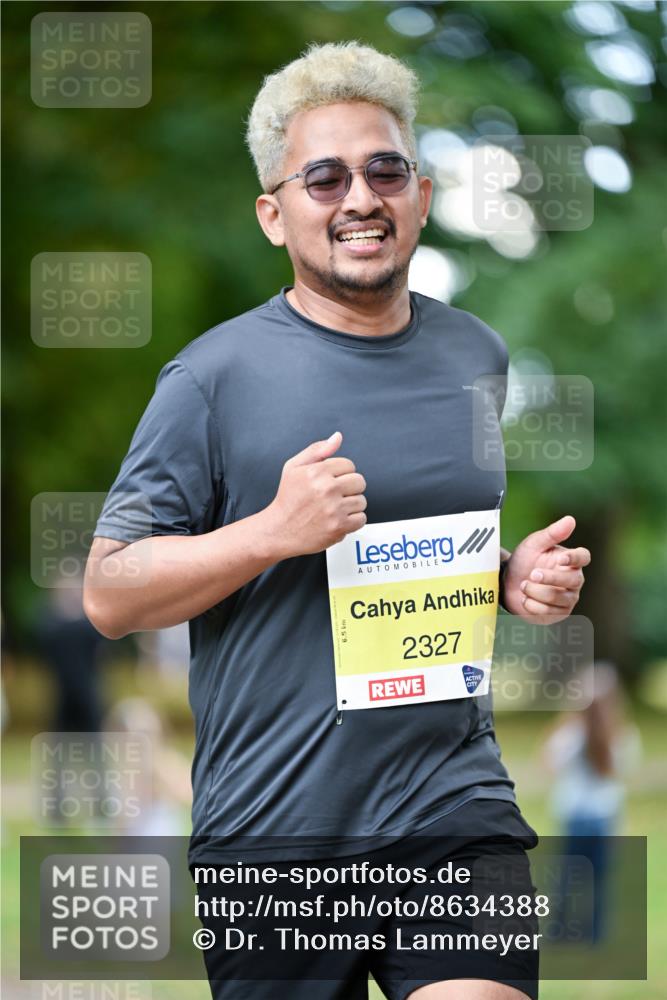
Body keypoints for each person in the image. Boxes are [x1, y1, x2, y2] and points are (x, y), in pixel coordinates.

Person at [84, 42, 591, 1000]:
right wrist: (271, 531)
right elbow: (109, 594)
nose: (360, 197)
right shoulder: (211, 378)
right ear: (275, 214)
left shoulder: (475, 355)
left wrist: (509, 580)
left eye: (384, 170)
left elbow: (418, 549)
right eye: (324, 177)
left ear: (422, 196)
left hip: (448, 802)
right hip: (273, 829)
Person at [543, 662, 641, 944]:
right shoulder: (622, 734)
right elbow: (625, 770)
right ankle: (595, 933)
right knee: (599, 879)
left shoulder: (571, 734)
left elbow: (549, 762)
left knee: (568, 876)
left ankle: (559, 930)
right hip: (604, 815)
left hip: (574, 815)